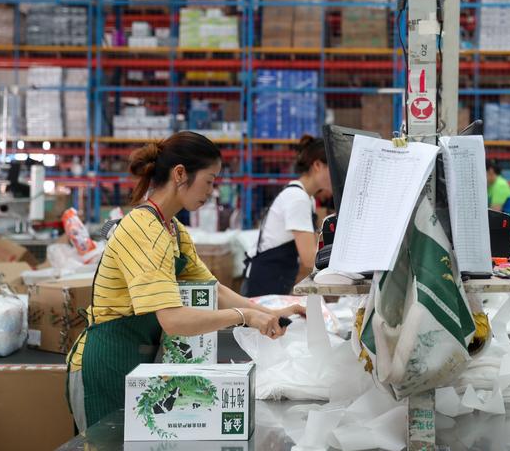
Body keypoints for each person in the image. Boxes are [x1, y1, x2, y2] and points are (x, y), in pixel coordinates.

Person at [66, 132, 304, 433]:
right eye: (209, 180)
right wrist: (245, 317)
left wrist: (274, 313)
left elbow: (214, 290)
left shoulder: (173, 230)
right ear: (180, 174)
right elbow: (174, 320)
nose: (212, 190)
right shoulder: (144, 230)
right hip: (104, 366)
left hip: (135, 358)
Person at [243, 135, 331, 296]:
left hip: (275, 280)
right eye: (333, 168)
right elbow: (310, 259)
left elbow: (313, 247)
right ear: (317, 165)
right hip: (264, 284)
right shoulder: (297, 198)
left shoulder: (307, 197)